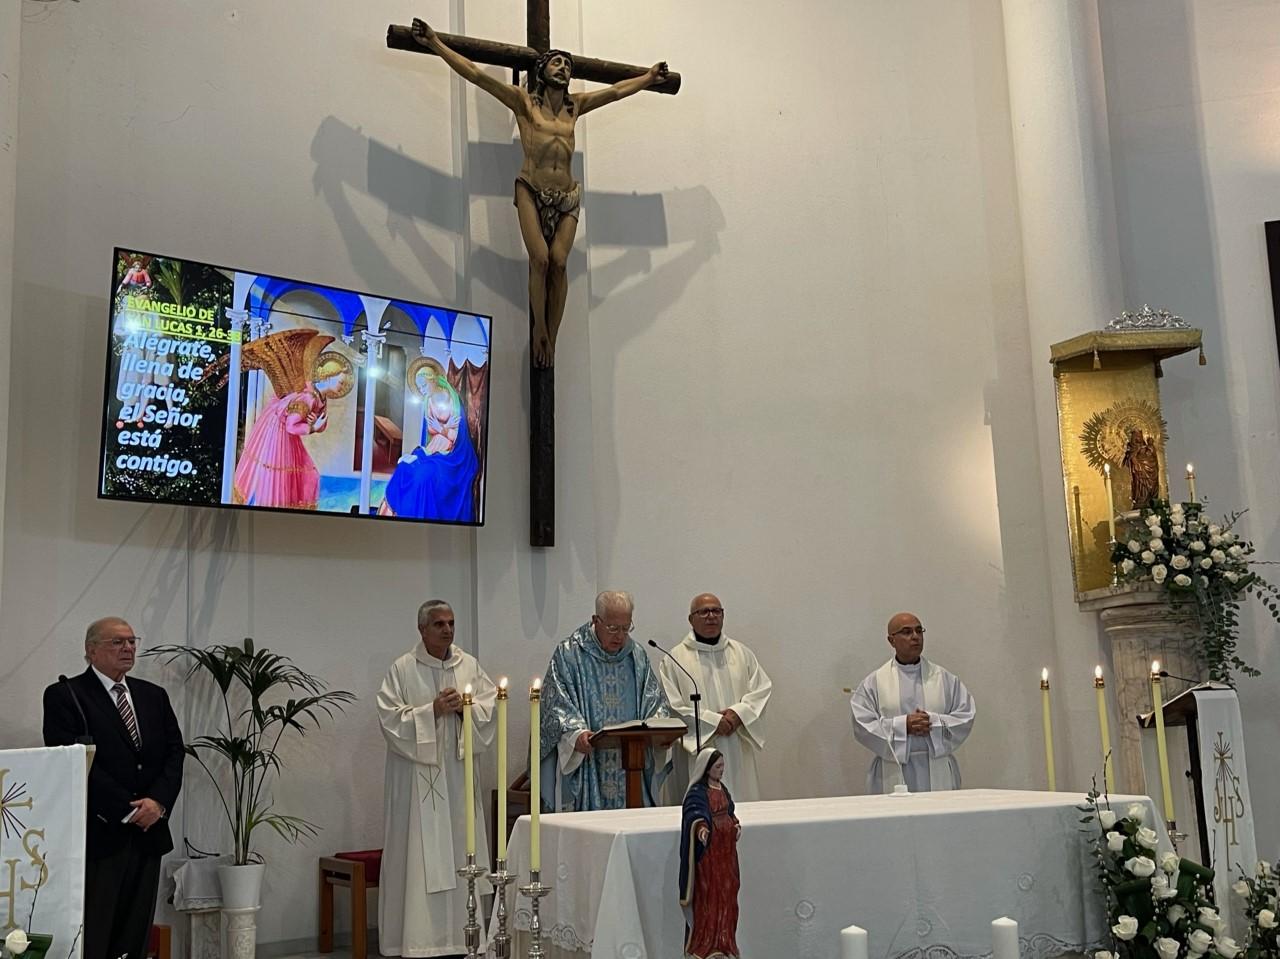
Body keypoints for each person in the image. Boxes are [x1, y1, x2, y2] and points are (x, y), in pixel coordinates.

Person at [409, 18, 669, 368]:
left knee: (560, 264)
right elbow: (475, 74)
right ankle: (539, 331)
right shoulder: (523, 102)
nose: (563, 68)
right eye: (557, 62)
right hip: (531, 188)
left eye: (568, 65)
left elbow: (616, 91)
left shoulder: (575, 106)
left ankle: (551, 335)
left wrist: (649, 78)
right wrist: (436, 43)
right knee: (541, 260)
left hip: (567, 196)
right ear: (541, 70)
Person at [41, 617, 184, 959]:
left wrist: (158, 804)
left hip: (150, 830)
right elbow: (73, 759)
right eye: (117, 642)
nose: (128, 648)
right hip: (101, 831)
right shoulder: (67, 695)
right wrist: (129, 809)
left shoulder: (153, 696)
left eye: (132, 641)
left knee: (135, 931)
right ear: (91, 651)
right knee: (97, 929)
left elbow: (174, 753)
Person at [377, 600, 497, 958]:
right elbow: (389, 720)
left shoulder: (469, 665)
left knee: (461, 847)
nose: (447, 630)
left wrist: (464, 708)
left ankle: (463, 937)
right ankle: (417, 940)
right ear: (422, 630)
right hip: (418, 782)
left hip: (458, 780)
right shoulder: (402, 669)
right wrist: (431, 710)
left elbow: (490, 711)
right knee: (418, 855)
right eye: (439, 624)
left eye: (451, 623)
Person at [539, 590, 672, 810]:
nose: (620, 636)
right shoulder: (570, 654)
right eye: (612, 628)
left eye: (626, 628)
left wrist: (661, 731)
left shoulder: (636, 656)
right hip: (589, 764)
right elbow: (555, 705)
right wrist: (576, 734)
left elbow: (654, 702)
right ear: (595, 621)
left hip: (630, 766)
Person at [658, 593, 772, 801]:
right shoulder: (675, 659)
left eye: (716, 611)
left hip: (736, 747)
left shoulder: (741, 653)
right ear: (691, 619)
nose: (711, 616)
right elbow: (671, 706)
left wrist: (738, 715)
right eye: (704, 612)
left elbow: (761, 689)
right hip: (697, 750)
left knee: (740, 808)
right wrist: (713, 722)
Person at [849, 612, 977, 793]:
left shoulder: (944, 679)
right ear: (891, 640)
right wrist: (904, 725)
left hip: (937, 766)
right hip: (892, 771)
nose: (915, 637)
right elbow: (862, 725)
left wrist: (933, 722)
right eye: (907, 632)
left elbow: (966, 715)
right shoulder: (875, 682)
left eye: (919, 631)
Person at [232, 330, 350, 510]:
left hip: (286, 434)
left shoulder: (320, 398)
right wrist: (310, 428)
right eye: (340, 382)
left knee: (299, 474)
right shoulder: (308, 398)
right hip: (278, 435)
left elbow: (321, 421)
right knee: (278, 476)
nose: (342, 387)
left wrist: (316, 426)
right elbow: (291, 425)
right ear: (328, 377)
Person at [379, 359, 479, 521]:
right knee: (405, 465)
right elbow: (431, 430)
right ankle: (397, 515)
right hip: (435, 446)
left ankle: (419, 517)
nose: (422, 390)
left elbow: (455, 436)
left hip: (454, 454)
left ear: (432, 381)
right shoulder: (429, 401)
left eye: (424, 386)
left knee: (422, 476)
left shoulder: (452, 399)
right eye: (420, 388)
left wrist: (442, 429)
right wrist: (443, 429)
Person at [679, 748, 741, 959]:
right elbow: (693, 814)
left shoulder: (722, 788)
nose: (722, 770)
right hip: (709, 856)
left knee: (727, 894)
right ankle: (706, 943)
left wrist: (735, 825)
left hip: (726, 853)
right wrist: (701, 828)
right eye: (718, 767)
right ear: (706, 769)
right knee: (709, 895)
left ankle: (725, 941)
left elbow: (730, 811)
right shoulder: (698, 792)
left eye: (723, 766)